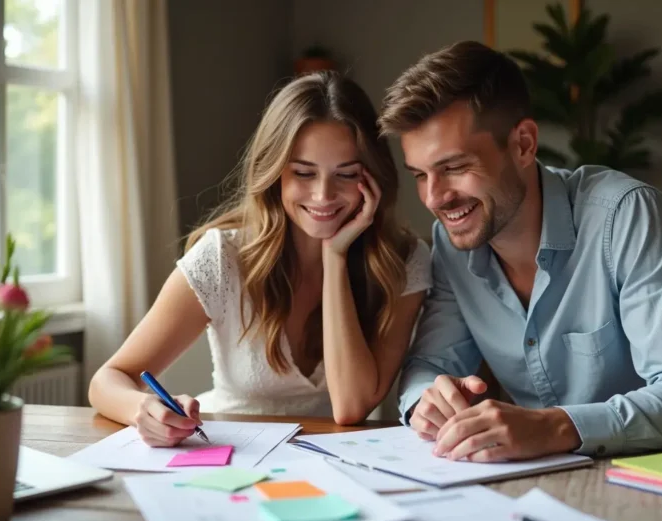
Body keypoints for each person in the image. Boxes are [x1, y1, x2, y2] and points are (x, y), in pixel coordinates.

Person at [378, 40, 662, 462]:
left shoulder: (626, 215)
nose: (434, 198)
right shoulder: (452, 243)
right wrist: (427, 402)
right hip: (528, 485)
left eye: (454, 167)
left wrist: (552, 426)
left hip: (648, 480)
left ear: (523, 144)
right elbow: (428, 364)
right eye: (420, 175)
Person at [88, 71, 431, 446]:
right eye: (303, 172)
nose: (323, 195)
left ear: (373, 177)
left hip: (334, 464)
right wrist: (144, 409)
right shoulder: (222, 258)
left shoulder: (405, 260)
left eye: (346, 174)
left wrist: (335, 257)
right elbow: (109, 378)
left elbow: (351, 407)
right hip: (229, 455)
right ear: (275, 172)